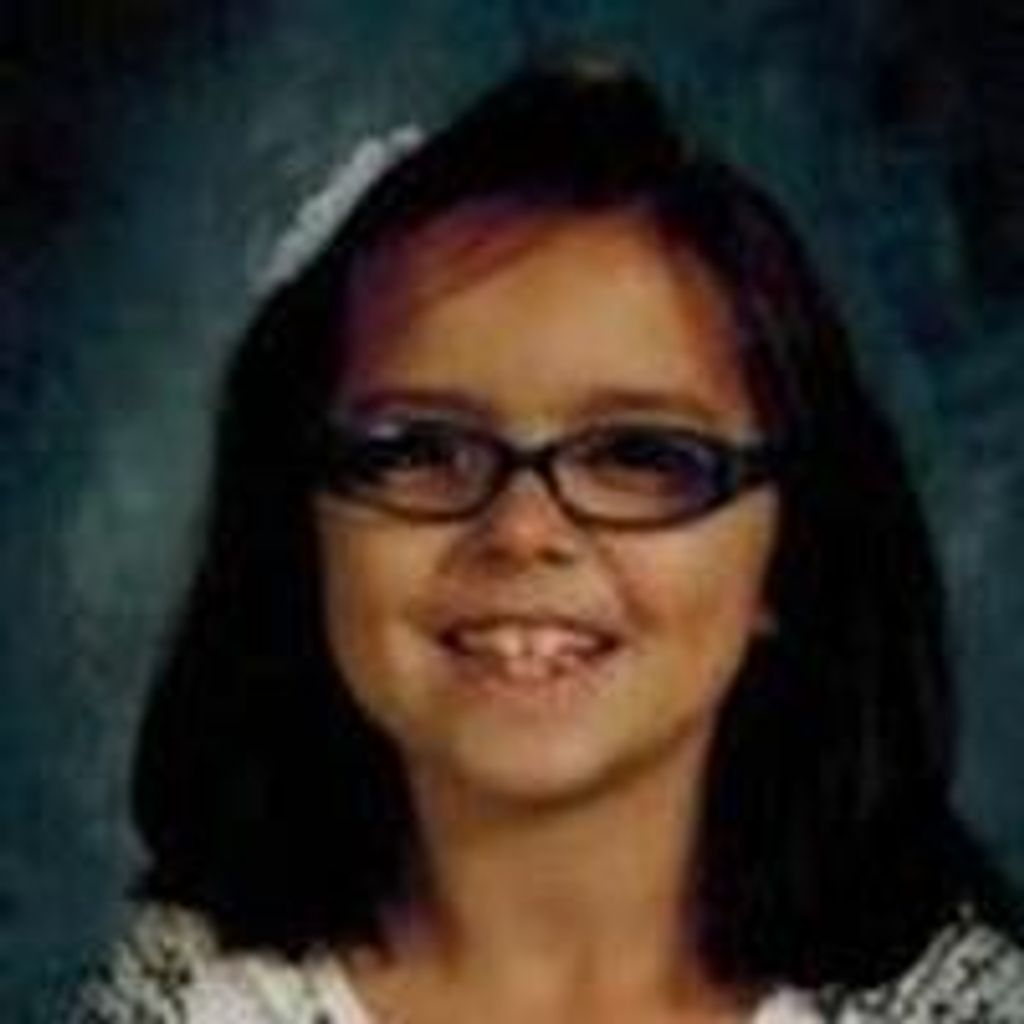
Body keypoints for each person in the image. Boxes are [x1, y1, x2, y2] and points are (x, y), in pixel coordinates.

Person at [70, 57, 1024, 1023]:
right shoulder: (186, 1003)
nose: (523, 531)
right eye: (418, 450)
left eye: (640, 455)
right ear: (301, 529)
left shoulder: (955, 1009)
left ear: (794, 552)